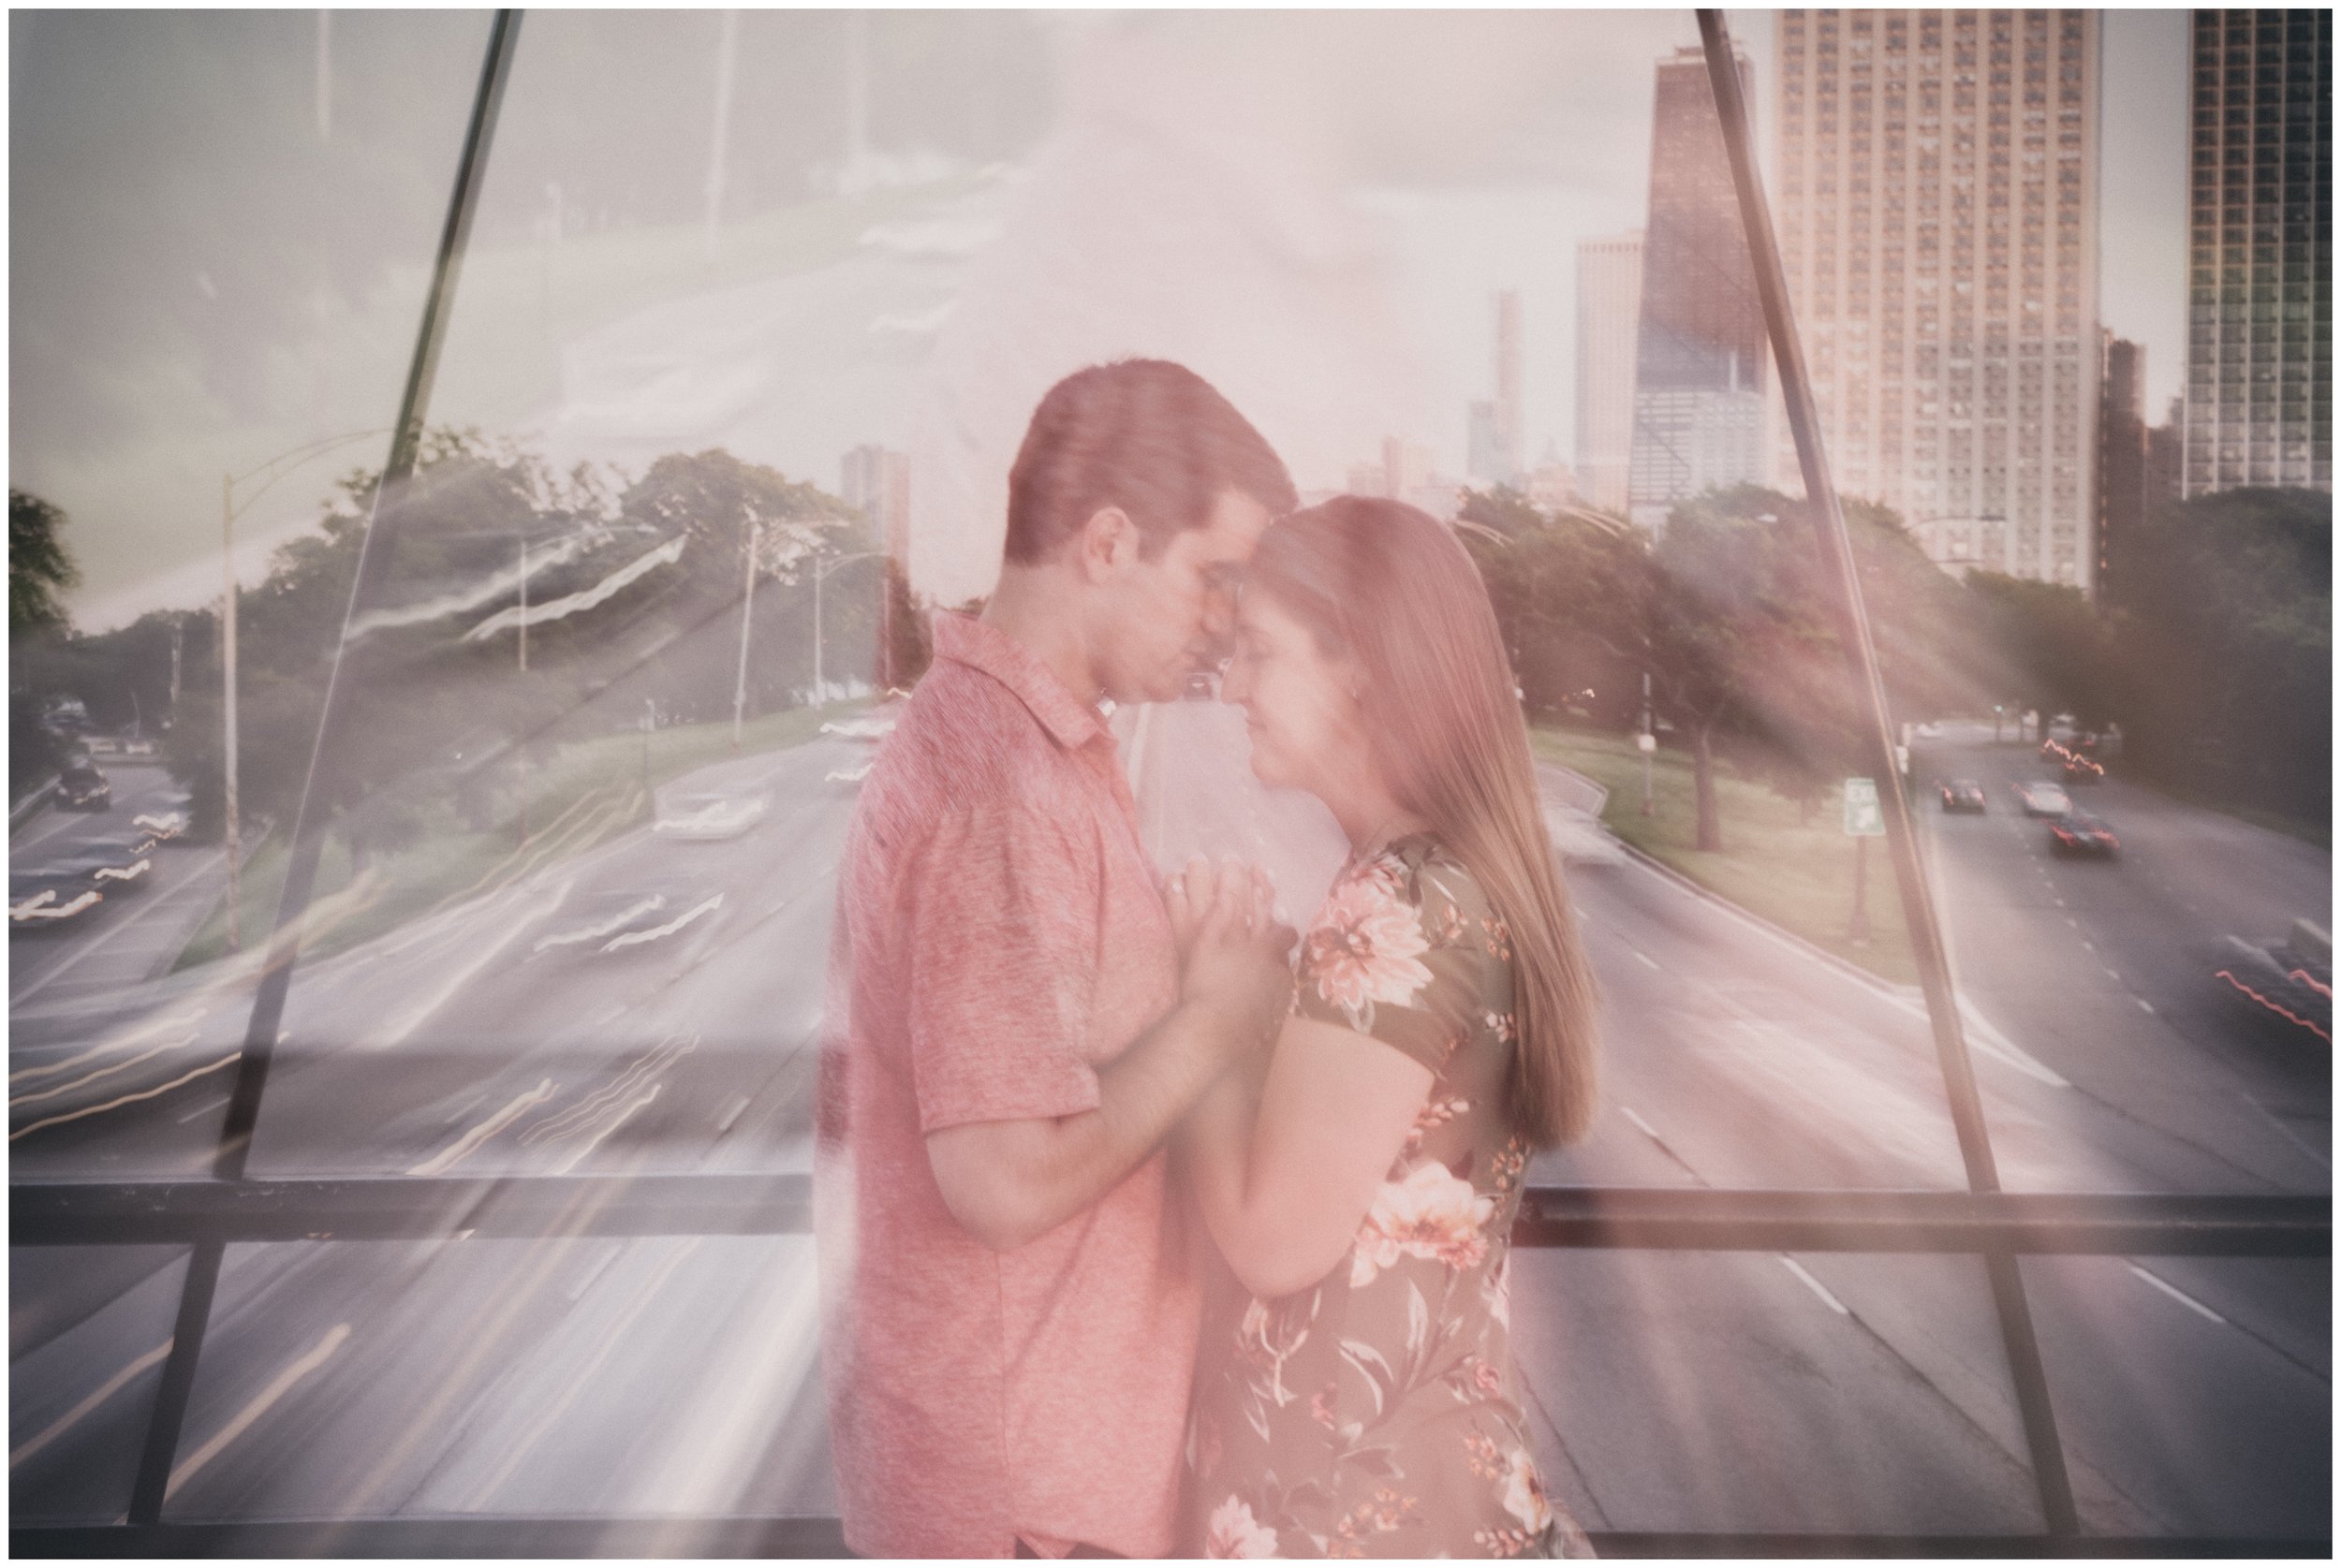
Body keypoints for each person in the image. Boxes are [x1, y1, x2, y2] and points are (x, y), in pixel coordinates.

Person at [815, 359, 1302, 1560]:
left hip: (1033, 1485)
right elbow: (1002, 1182)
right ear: (1106, 541)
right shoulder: (1000, 788)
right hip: (1021, 1508)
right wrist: (1214, 1015)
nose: (1223, 622)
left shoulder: (1031, 748)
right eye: (1212, 579)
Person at [1168, 496, 1603, 1559]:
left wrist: (1211, 1013)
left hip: (1357, 1522)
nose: (1232, 688)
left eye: (1258, 654)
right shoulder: (1440, 879)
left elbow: (1274, 1237)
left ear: (1359, 665)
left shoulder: (1398, 900)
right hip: (1419, 1502)